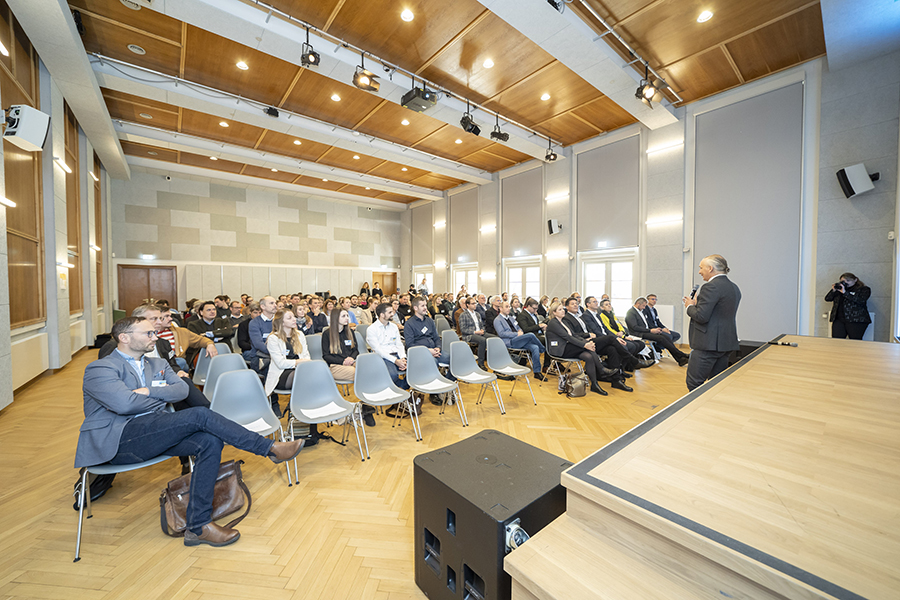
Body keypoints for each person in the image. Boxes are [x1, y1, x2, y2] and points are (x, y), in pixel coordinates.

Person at [76, 316, 305, 548]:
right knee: (201, 415)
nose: (155, 337)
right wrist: (156, 394)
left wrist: (145, 392)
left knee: (209, 441)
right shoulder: (100, 368)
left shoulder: (158, 364)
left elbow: (180, 391)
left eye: (154, 333)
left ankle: (199, 526)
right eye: (148, 333)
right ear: (124, 338)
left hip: (156, 430)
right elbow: (124, 405)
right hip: (119, 441)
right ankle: (268, 448)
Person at [682, 254, 741, 391]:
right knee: (716, 382)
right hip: (726, 343)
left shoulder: (710, 287)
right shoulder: (734, 287)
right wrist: (698, 304)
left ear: (710, 268)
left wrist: (690, 306)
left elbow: (702, 317)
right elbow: (718, 313)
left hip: (707, 344)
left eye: (701, 268)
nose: (699, 271)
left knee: (694, 383)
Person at [545, 302, 617, 396]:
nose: (563, 311)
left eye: (563, 309)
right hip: (560, 349)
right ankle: (601, 369)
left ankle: (594, 385)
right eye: (560, 310)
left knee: (588, 356)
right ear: (554, 313)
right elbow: (568, 337)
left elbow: (574, 335)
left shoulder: (564, 321)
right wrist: (585, 345)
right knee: (589, 349)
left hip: (569, 347)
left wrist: (586, 342)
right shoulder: (553, 323)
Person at [561, 297, 632, 390]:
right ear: (566, 306)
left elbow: (588, 328)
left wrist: (591, 334)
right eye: (572, 304)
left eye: (576, 303)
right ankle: (631, 359)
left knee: (612, 349)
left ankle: (616, 380)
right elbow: (573, 335)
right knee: (611, 338)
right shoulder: (566, 319)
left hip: (591, 340)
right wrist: (588, 335)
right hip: (582, 343)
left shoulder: (579, 316)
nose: (575, 305)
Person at [404, 296, 454, 404]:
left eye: (425, 305)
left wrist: (438, 347)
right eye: (422, 306)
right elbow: (410, 345)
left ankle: (445, 386)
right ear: (415, 308)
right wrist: (427, 351)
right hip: (420, 354)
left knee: (455, 361)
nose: (425, 308)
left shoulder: (430, 321)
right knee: (433, 363)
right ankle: (434, 393)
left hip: (434, 351)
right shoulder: (409, 324)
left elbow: (436, 338)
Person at [264, 309, 310, 417]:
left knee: (311, 375)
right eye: (289, 318)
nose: (294, 319)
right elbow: (280, 363)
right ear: (281, 322)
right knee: (302, 377)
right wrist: (298, 362)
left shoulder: (300, 334)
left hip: (300, 370)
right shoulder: (273, 338)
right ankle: (297, 410)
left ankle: (294, 409)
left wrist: (302, 363)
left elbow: (306, 356)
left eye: (293, 317)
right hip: (281, 374)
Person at [626, 297, 691, 366]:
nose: (644, 308)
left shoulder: (640, 311)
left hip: (645, 331)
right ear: (638, 303)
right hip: (638, 334)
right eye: (643, 306)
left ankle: (680, 358)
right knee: (661, 338)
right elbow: (634, 327)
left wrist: (656, 329)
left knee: (666, 337)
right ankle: (681, 355)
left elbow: (647, 323)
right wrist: (650, 330)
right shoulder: (631, 312)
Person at [494, 301, 546, 380]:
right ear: (500, 308)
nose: (509, 308)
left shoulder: (511, 318)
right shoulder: (497, 320)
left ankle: (537, 372)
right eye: (506, 307)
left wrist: (520, 331)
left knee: (535, 347)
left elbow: (518, 327)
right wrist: (516, 334)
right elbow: (501, 333)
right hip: (510, 342)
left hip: (518, 340)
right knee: (531, 335)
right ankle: (543, 349)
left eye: (509, 307)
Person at [825, 272, 871, 339]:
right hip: (839, 319)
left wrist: (845, 293)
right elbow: (827, 298)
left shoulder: (863, 289)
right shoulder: (839, 289)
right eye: (843, 281)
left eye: (848, 281)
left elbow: (860, 300)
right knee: (837, 342)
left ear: (855, 280)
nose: (846, 283)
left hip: (856, 320)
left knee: (854, 342)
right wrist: (834, 290)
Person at [458, 297, 497, 370]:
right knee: (482, 340)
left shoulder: (477, 314)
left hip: (480, 332)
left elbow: (482, 325)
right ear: (467, 305)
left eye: (475, 303)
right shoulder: (463, 315)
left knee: (494, 338)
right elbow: (463, 329)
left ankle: (494, 360)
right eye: (472, 304)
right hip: (470, 335)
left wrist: (482, 330)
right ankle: (481, 363)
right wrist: (475, 332)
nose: (475, 305)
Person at [248, 296, 278, 372]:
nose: (275, 305)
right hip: (261, 358)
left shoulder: (279, 321)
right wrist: (276, 352)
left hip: (278, 356)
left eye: (275, 303)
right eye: (271, 303)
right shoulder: (254, 323)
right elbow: (258, 344)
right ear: (263, 306)